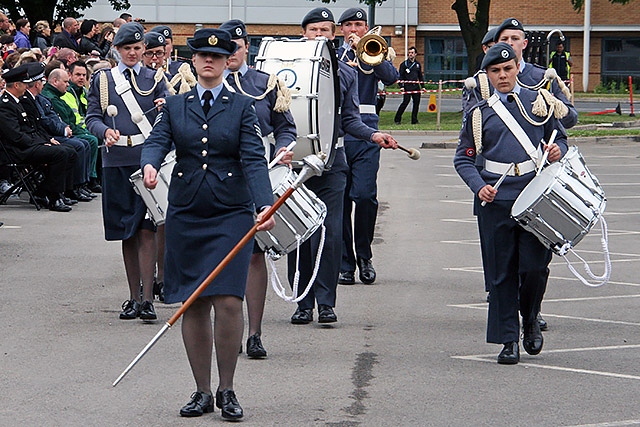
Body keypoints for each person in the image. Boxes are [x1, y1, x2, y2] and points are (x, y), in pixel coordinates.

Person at [140, 27, 276, 420]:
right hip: (186, 213)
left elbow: (252, 158)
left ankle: (227, 389)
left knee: (230, 302)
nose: (210, 61)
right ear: (194, 61)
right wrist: (149, 163)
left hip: (230, 214)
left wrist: (264, 205)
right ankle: (201, 390)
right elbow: (156, 142)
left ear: (226, 61)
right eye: (202, 56)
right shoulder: (175, 104)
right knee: (194, 303)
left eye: (217, 56)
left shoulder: (241, 106)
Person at [280, 8, 397, 325]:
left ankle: (326, 302)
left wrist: (373, 134)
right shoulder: (286, 70)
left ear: (334, 36)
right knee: (300, 233)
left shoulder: (345, 73)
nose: (320, 35)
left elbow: (350, 120)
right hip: (299, 157)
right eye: (314, 30)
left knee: (330, 233)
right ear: (304, 33)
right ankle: (302, 303)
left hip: (334, 159)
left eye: (326, 31)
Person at [454, 43, 568, 364]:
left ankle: (530, 317)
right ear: (487, 75)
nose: (502, 76)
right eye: (495, 71)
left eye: (507, 69)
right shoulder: (479, 114)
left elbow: (560, 136)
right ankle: (508, 340)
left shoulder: (539, 102)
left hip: (534, 198)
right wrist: (479, 187)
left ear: (518, 67)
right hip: (497, 200)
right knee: (502, 273)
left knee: (534, 267)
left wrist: (558, 148)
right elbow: (463, 159)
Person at [220, 18, 297, 358]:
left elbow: (286, 127)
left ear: (246, 47)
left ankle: (255, 333)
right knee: (224, 255)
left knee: (254, 255)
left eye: (236, 47)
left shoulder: (266, 83)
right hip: (221, 177)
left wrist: (283, 147)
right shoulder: (208, 83)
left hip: (258, 174)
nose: (232, 54)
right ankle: (229, 331)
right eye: (226, 49)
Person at [86, 22, 169, 321]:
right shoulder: (103, 80)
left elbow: (166, 119)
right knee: (126, 231)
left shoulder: (155, 78)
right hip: (116, 159)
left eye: (137, 48)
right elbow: (92, 116)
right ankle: (133, 297)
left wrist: (165, 108)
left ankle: (148, 299)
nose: (133, 53)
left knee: (147, 228)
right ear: (117, 50)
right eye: (127, 48)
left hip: (146, 159)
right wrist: (102, 132)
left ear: (144, 50)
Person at [336, 8, 400, 286]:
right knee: (339, 202)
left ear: (366, 28)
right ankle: (345, 263)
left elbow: (391, 77)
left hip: (367, 133)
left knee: (364, 196)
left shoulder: (373, 50)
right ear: (340, 29)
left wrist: (369, 53)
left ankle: (364, 255)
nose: (354, 29)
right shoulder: (332, 54)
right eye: (349, 25)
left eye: (359, 25)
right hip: (337, 135)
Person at [0, 63, 77, 212]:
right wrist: (40, 145)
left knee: (70, 151)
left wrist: (45, 141)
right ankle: (54, 197)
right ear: (16, 85)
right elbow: (15, 136)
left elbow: (31, 128)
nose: (27, 87)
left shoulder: (16, 102)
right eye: (25, 84)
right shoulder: (5, 105)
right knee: (60, 154)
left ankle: (42, 192)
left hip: (27, 146)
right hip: (16, 151)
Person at [22, 62, 92, 204]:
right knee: (71, 149)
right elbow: (39, 123)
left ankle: (61, 190)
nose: (43, 84)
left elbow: (48, 120)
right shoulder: (26, 101)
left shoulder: (39, 98)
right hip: (28, 145)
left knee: (75, 147)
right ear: (37, 84)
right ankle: (59, 191)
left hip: (41, 138)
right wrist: (49, 138)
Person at [41, 68, 98, 200]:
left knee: (86, 142)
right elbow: (54, 121)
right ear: (55, 81)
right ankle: (74, 186)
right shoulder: (51, 97)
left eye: (84, 75)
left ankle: (82, 183)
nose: (68, 84)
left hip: (67, 131)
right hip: (55, 135)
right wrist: (65, 130)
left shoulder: (61, 95)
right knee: (81, 144)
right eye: (65, 81)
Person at [61, 61, 101, 193]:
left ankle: (99, 176)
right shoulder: (67, 92)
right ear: (70, 75)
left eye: (84, 75)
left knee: (102, 136)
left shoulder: (84, 91)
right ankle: (90, 179)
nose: (81, 78)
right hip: (75, 129)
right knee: (92, 140)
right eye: (78, 74)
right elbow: (74, 119)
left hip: (85, 128)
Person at [394, 46, 423, 125]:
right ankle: (397, 119)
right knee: (405, 102)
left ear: (415, 54)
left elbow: (420, 76)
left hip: (416, 86)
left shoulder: (417, 64)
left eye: (412, 53)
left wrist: (422, 86)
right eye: (409, 53)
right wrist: (401, 86)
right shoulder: (404, 64)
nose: (410, 54)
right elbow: (401, 76)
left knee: (416, 103)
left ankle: (414, 120)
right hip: (407, 86)